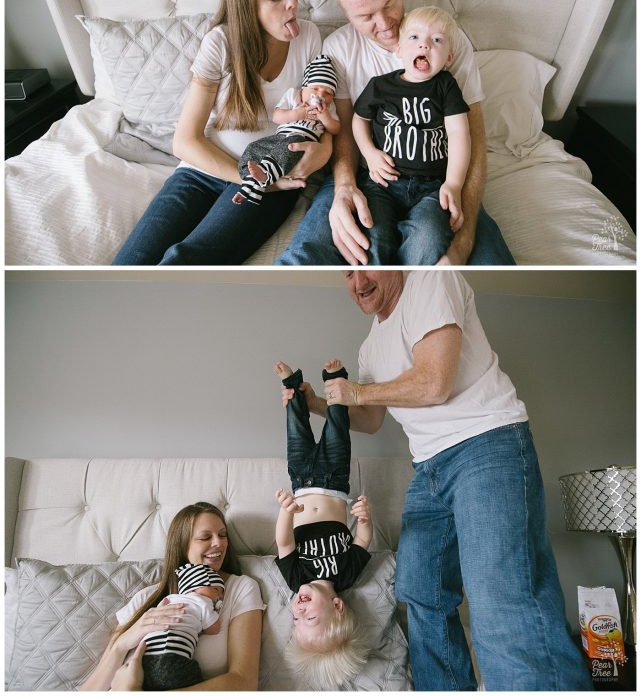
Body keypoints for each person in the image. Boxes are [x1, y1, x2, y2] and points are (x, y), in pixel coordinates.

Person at [336, 269, 590, 692]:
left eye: (366, 266)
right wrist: (316, 403)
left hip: (487, 446)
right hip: (429, 468)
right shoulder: (369, 346)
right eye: (347, 273)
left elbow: (435, 383)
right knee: (420, 591)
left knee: (501, 603)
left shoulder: (431, 280)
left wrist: (357, 393)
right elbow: (370, 418)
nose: (357, 280)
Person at [277, 0, 514, 270]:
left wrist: (466, 235)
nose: (385, 24)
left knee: (488, 264)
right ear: (346, 12)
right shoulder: (340, 48)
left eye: (388, 4)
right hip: (366, 173)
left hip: (435, 176)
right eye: (365, 16)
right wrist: (345, 186)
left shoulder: (442, 39)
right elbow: (347, 130)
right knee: (310, 253)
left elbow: (472, 135)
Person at [113, 0, 324, 266]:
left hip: (271, 175)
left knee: (184, 259)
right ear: (248, 6)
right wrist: (246, 179)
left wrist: (316, 154)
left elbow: (318, 119)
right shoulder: (221, 43)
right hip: (203, 172)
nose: (293, 2)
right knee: (131, 262)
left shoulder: (308, 37)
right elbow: (185, 141)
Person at [82, 501, 262, 691]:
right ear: (182, 545)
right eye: (205, 537)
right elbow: (90, 690)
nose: (219, 543)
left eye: (223, 535)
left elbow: (244, 682)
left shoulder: (241, 589)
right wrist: (125, 641)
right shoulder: (147, 598)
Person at [273, 357, 373, 674]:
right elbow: (362, 540)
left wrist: (286, 512)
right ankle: (335, 380)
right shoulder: (346, 575)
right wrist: (365, 518)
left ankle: (292, 385)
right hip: (335, 481)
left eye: (296, 619)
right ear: (337, 606)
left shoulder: (295, 580)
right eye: (311, 617)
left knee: (296, 430)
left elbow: (284, 543)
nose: (299, 610)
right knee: (337, 427)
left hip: (301, 482)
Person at [352, 5, 471, 264]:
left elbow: (460, 134)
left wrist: (454, 184)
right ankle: (384, 275)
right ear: (399, 49)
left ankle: (407, 279)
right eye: (414, 38)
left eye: (436, 40)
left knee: (431, 235)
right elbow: (359, 120)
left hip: (432, 186)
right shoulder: (380, 86)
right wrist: (369, 153)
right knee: (372, 233)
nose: (424, 46)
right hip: (384, 183)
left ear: (449, 57)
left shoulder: (446, 86)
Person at [234, 53, 340, 204]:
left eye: (328, 93)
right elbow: (277, 117)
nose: (320, 95)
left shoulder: (329, 108)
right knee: (253, 147)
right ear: (303, 88)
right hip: (279, 138)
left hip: (301, 144)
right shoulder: (293, 96)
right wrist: (296, 113)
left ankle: (265, 175)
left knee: (292, 144)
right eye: (315, 88)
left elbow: (335, 129)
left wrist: (325, 117)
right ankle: (251, 181)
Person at [137, 568, 225, 689]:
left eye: (222, 594)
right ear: (195, 587)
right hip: (174, 657)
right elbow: (213, 629)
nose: (220, 596)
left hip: (147, 656)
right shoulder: (203, 602)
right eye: (216, 590)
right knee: (191, 679)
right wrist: (216, 612)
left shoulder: (169, 598)